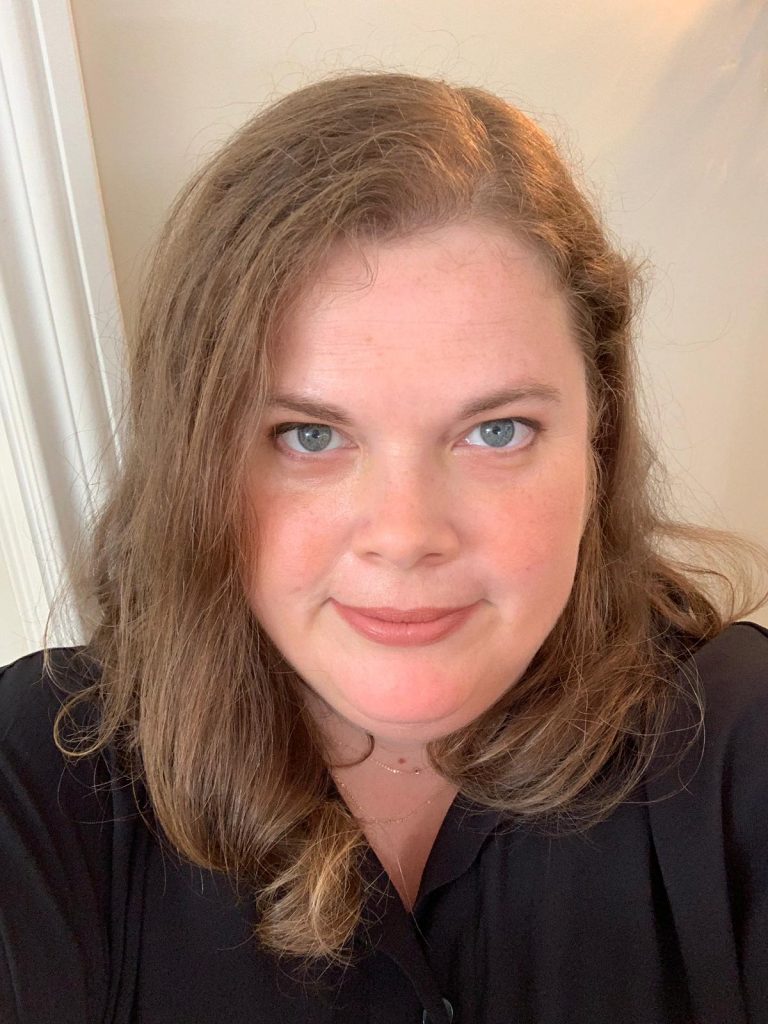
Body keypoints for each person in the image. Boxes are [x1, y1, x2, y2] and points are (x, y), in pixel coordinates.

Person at [1, 71, 767, 1024]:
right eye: (309, 435)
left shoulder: (738, 744)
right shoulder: (45, 772)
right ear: (199, 461)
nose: (405, 536)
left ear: (598, 440)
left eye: (496, 431)